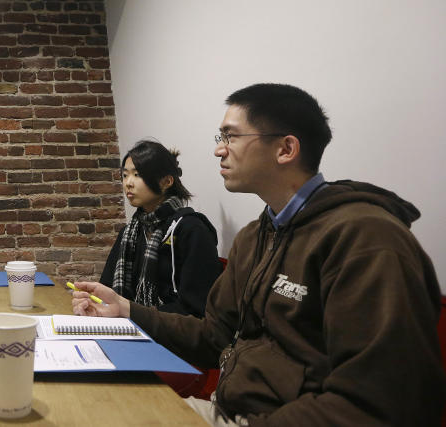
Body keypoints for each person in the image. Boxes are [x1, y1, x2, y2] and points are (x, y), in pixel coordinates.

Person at [73, 83, 444, 426]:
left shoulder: (365, 239)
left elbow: (377, 401)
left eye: (231, 136)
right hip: (226, 408)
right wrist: (126, 310)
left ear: (285, 149)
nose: (219, 149)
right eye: (221, 137)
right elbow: (214, 337)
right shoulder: (256, 236)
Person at [100, 140, 222, 317]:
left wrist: (130, 312)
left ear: (167, 181)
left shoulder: (191, 230)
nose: (128, 183)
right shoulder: (129, 232)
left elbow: (196, 308)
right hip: (129, 327)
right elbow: (107, 288)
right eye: (125, 175)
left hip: (172, 335)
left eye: (137, 175)